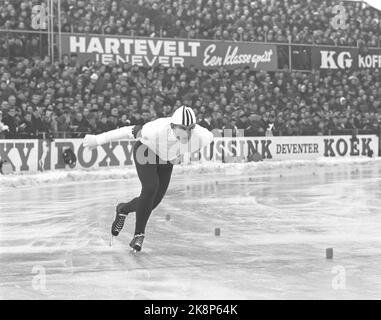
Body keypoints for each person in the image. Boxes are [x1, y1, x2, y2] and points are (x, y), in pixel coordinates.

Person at [83, 105, 213, 252]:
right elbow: (128, 130)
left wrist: (182, 156)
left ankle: (123, 209)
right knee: (150, 188)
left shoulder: (202, 136)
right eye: (183, 129)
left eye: (190, 128)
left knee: (152, 204)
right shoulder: (155, 130)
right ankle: (139, 234)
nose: (187, 133)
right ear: (172, 126)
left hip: (166, 162)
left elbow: (200, 143)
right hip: (146, 152)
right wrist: (97, 140)